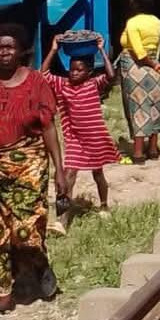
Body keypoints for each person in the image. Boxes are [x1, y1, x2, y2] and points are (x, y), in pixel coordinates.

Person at [0, 23, 65, 318]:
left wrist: (60, 170)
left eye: (10, 46)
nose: (5, 51)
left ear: (21, 50)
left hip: (28, 165)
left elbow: (47, 127)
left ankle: (39, 263)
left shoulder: (36, 82)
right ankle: (4, 296)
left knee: (25, 231)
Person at [41, 34, 120, 224]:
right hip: (75, 138)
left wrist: (102, 49)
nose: (74, 73)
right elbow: (43, 73)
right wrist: (53, 49)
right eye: (71, 69)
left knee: (98, 174)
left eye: (79, 70)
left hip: (95, 138)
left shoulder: (93, 85)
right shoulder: (63, 85)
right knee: (69, 175)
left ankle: (103, 205)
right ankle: (63, 219)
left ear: (89, 72)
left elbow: (111, 76)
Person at [119, 0, 160, 163]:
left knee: (138, 106)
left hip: (135, 67)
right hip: (154, 65)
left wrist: (150, 63)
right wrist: (156, 64)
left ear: (136, 6)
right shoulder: (156, 21)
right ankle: (153, 149)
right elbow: (157, 45)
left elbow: (138, 52)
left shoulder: (132, 23)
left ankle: (138, 153)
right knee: (155, 104)